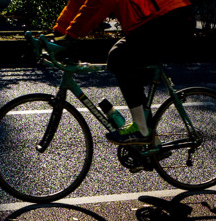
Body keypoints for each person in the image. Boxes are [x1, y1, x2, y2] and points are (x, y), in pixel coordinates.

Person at [51, 0, 195, 145]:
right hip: (158, 19)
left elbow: (100, 3)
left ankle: (141, 129)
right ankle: (152, 145)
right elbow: (78, 2)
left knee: (118, 56)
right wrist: (59, 32)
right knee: (132, 71)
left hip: (171, 20)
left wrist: (71, 35)